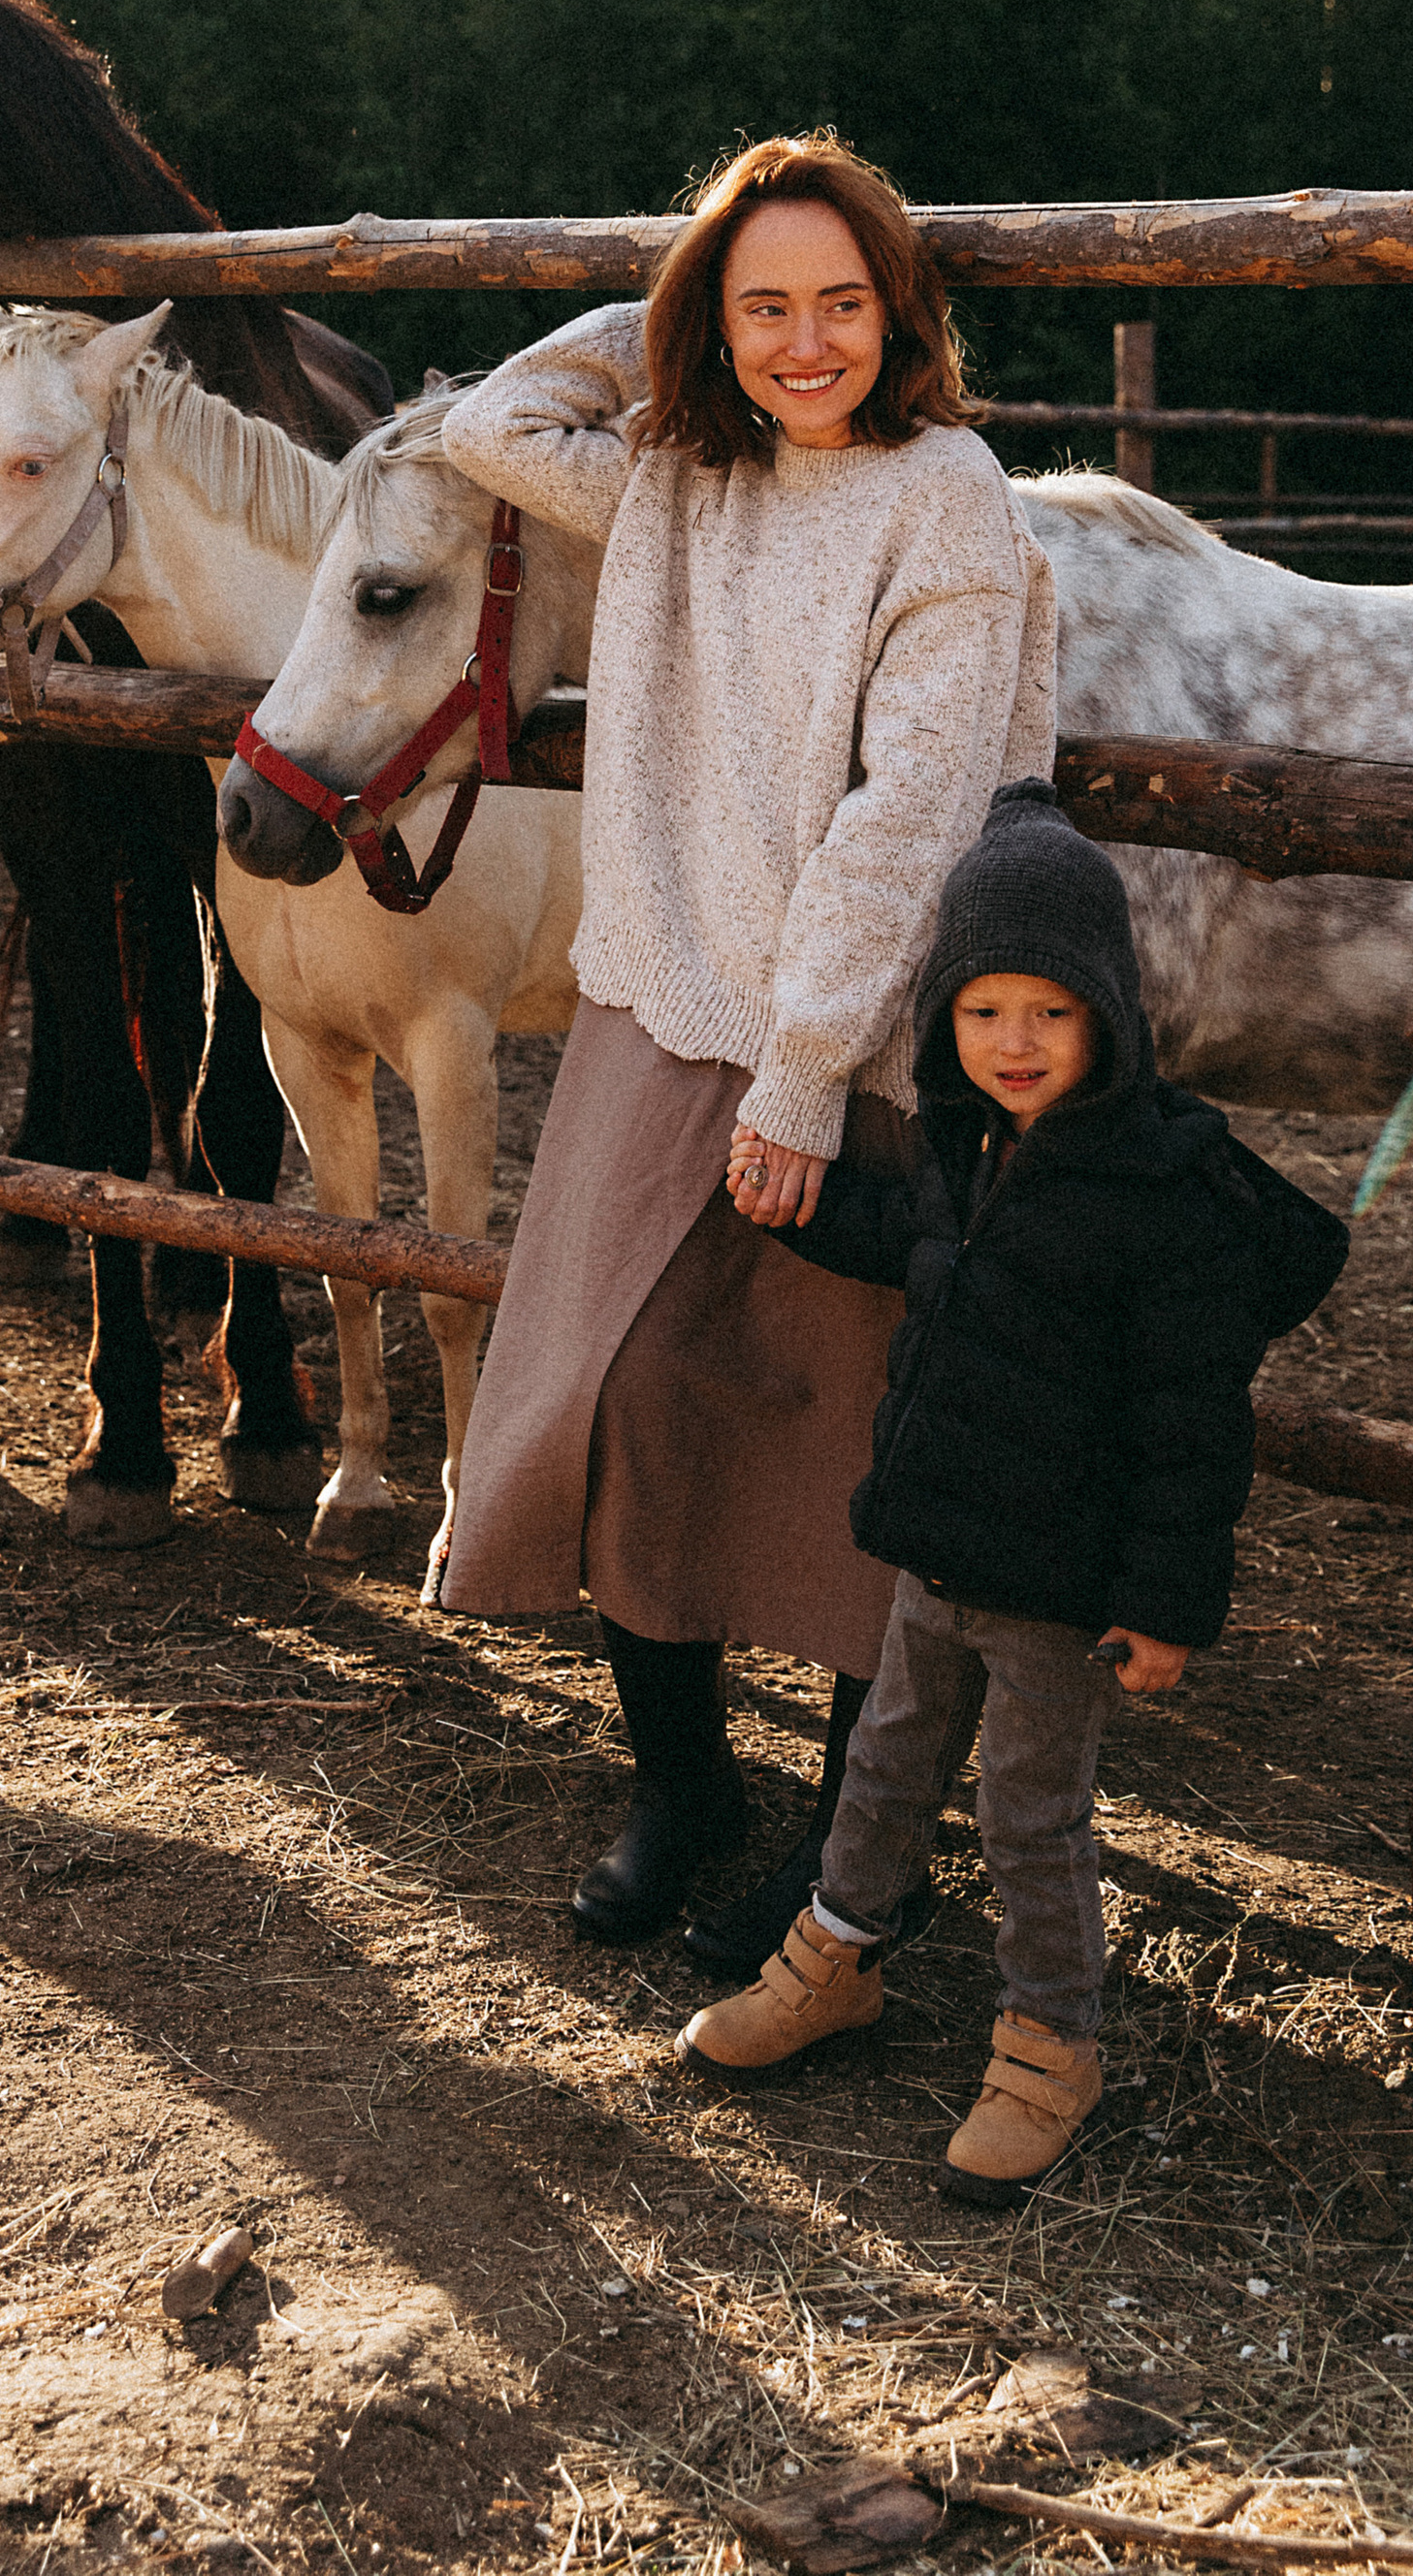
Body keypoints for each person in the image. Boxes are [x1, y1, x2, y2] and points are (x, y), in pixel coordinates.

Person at [435, 133, 1058, 1964]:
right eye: (764, 306)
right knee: (622, 1401)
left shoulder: (945, 493)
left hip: (852, 1032)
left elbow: (914, 805)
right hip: (656, 1000)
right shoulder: (674, 473)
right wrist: (663, 324)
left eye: (842, 305)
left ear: (898, 315)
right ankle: (682, 1783)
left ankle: (851, 1844)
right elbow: (484, 424)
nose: (807, 345)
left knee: (850, 1444)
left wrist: (801, 1074)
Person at [672, 779, 1348, 2205]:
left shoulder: (1156, 1194)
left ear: (1109, 1006)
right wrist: (799, 1209)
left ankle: (1052, 2042)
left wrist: (1166, 1604)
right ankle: (835, 1960)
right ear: (945, 1021)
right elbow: (920, 1259)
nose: (1015, 1043)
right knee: (882, 1762)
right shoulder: (970, 1151)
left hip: (1057, 1582)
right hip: (937, 1549)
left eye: (1048, 1010)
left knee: (1031, 1814)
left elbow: (1189, 1424)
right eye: (984, 1012)